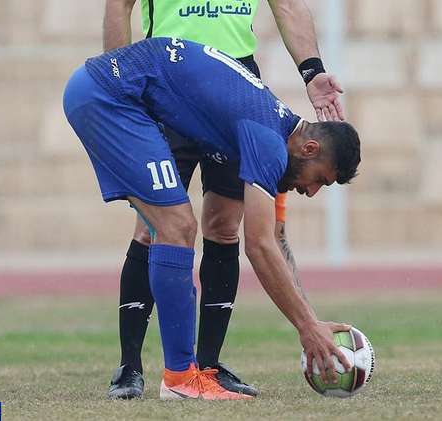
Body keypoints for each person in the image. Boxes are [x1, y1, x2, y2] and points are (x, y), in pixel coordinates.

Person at [63, 37, 361, 400]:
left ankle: (183, 374)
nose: (311, 191)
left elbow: (273, 238)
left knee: (176, 226)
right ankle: (179, 379)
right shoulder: (269, 142)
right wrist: (306, 326)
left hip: (112, 92)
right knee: (177, 226)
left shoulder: (274, 125)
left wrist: (310, 319)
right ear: (310, 149)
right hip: (109, 96)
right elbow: (260, 245)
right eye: (320, 180)